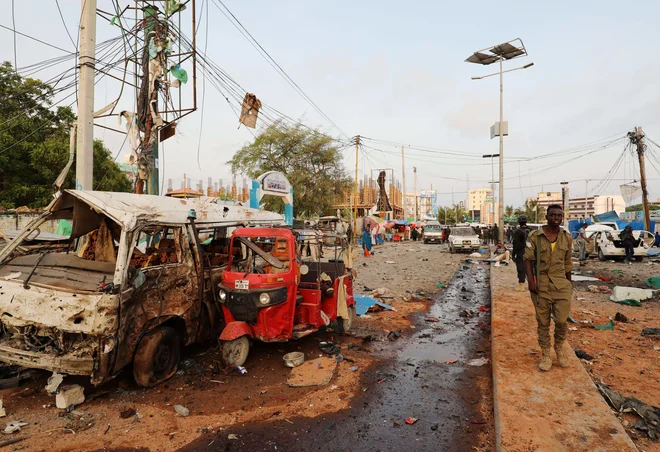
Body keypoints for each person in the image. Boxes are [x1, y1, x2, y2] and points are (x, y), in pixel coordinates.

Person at [524, 204, 573, 372]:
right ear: (547, 216)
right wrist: (531, 282)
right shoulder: (535, 236)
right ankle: (546, 353)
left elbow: (568, 263)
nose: (556, 218)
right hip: (542, 285)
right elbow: (528, 260)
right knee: (543, 322)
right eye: (553, 215)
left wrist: (569, 284)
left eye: (559, 215)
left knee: (561, 320)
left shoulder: (567, 237)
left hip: (561, 284)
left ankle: (559, 346)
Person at [512, 215, 532, 292]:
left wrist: (514, 255)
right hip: (531, 252)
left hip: (521, 252)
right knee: (531, 269)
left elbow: (515, 244)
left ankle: (521, 286)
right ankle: (532, 284)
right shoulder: (531, 230)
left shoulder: (517, 232)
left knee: (521, 269)